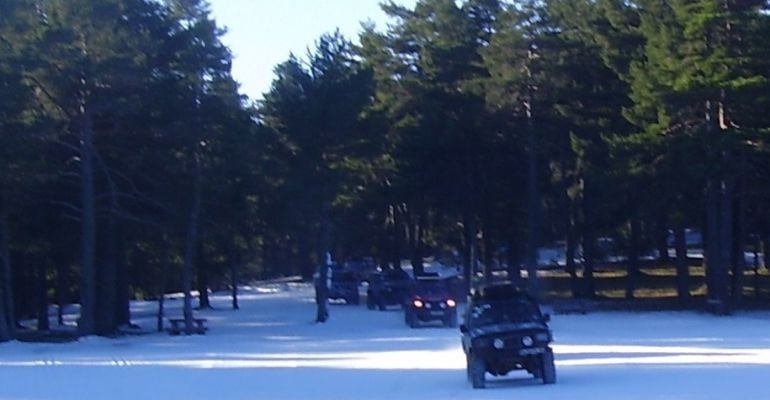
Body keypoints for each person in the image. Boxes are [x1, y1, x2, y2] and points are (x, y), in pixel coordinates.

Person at [315, 252, 333, 323]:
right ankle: (324, 314)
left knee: (324, 299)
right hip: (322, 285)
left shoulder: (326, 268)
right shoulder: (325, 268)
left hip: (323, 285)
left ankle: (324, 314)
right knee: (324, 300)